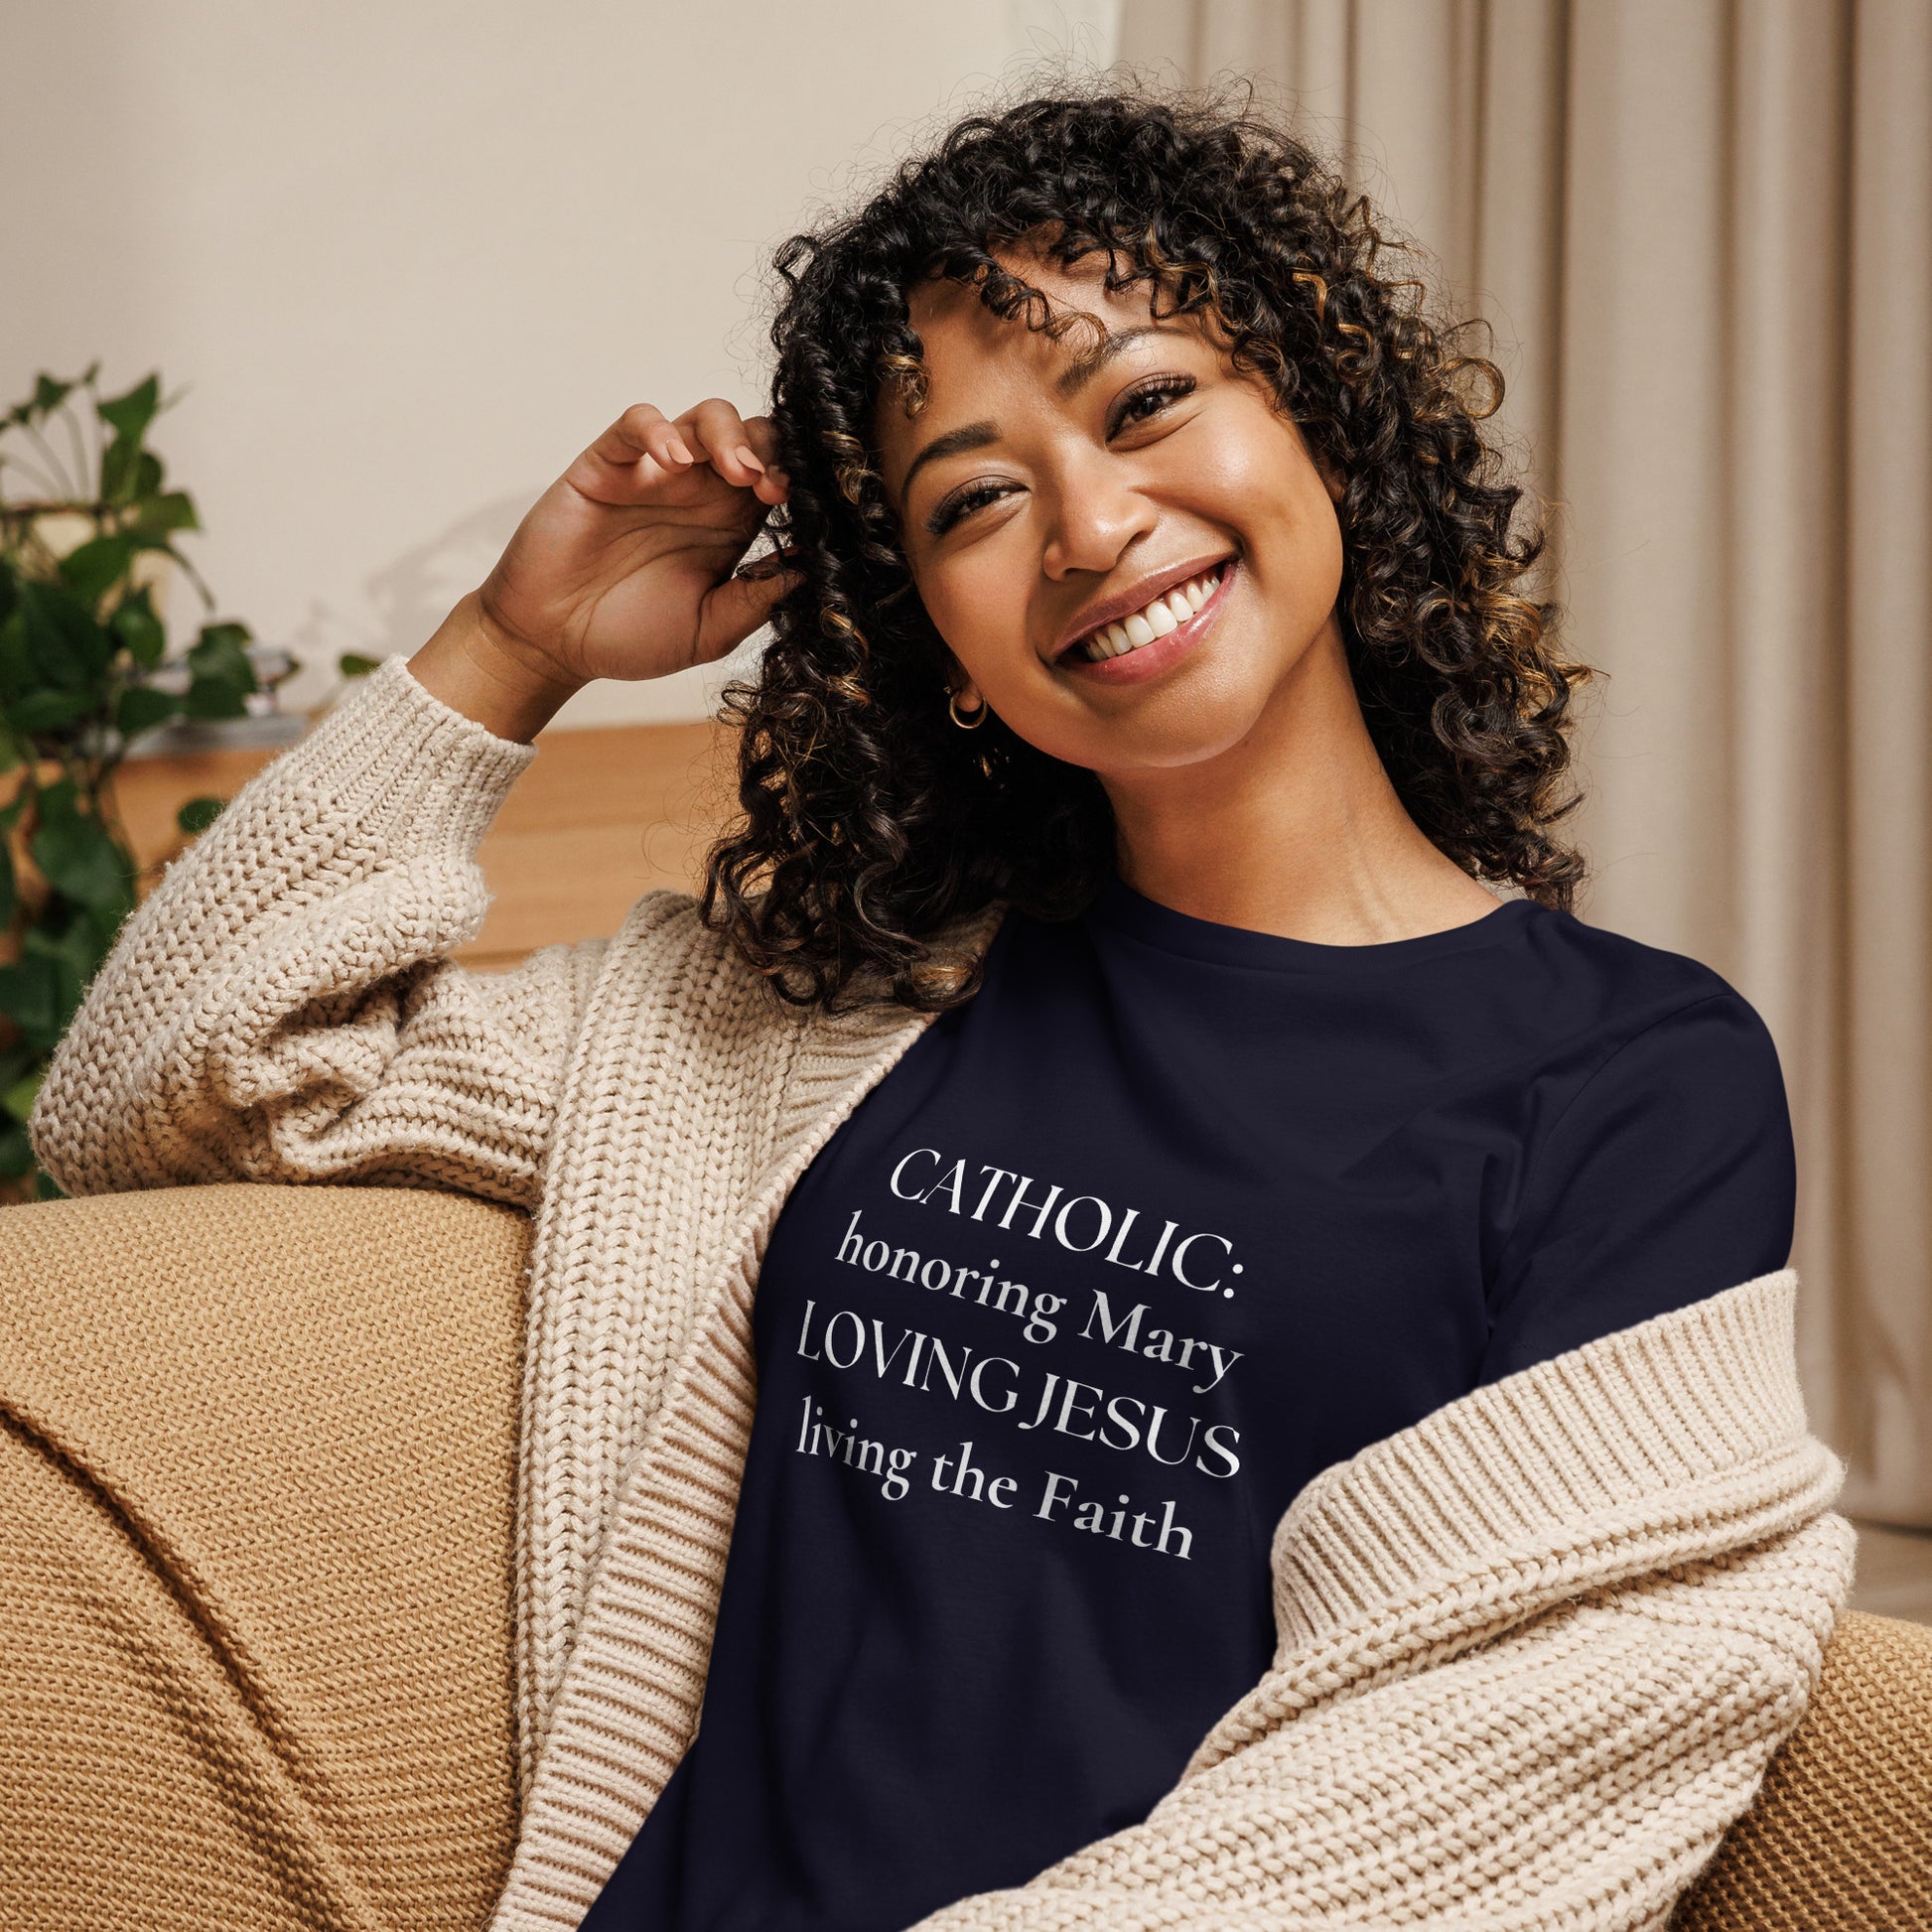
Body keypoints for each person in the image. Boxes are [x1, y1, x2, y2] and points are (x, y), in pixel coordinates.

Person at [28, 84, 1850, 1932]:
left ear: (1318, 417)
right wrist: (511, 646)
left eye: (1146, 402)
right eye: (974, 496)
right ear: (937, 639)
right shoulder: (813, 1017)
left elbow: (1502, 1754)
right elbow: (174, 1089)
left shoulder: (1629, 1077)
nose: (1085, 521)